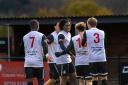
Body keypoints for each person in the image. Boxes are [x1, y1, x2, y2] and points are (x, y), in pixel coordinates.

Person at [82, 17, 108, 85]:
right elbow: (104, 43)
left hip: (92, 58)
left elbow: (82, 44)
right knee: (104, 77)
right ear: (96, 24)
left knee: (94, 78)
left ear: (88, 24)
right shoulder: (102, 32)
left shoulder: (86, 32)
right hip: (102, 57)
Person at [23, 19, 48, 85]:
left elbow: (24, 49)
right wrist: (47, 55)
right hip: (38, 62)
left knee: (29, 82)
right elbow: (45, 47)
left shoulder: (25, 37)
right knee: (40, 80)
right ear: (37, 26)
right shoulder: (42, 35)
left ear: (30, 26)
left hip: (28, 62)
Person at [56, 19, 77, 85]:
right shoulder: (61, 35)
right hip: (62, 60)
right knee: (64, 79)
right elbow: (62, 47)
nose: (68, 27)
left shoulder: (69, 34)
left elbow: (68, 46)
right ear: (62, 26)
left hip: (68, 59)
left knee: (74, 77)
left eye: (69, 25)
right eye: (66, 25)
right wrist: (71, 54)